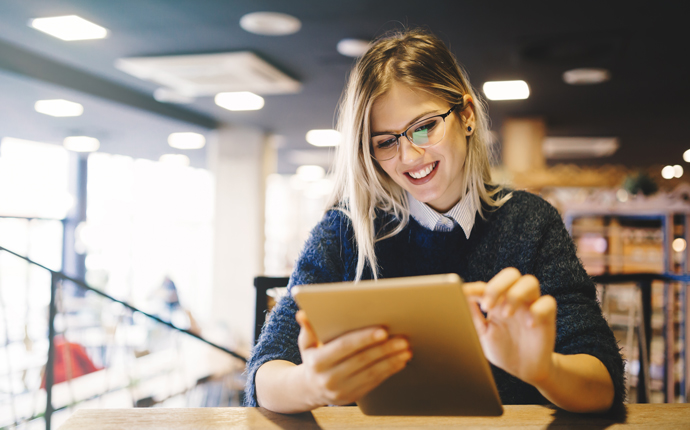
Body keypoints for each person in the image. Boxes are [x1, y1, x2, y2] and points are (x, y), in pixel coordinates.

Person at [245, 28, 624, 414]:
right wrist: (310, 384)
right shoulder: (346, 229)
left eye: (425, 127)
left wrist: (544, 369)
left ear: (467, 116)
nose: (410, 157)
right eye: (386, 141)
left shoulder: (530, 221)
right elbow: (265, 373)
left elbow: (602, 383)